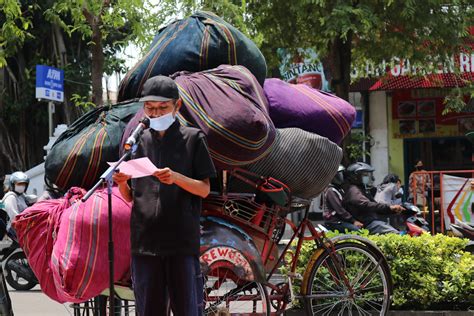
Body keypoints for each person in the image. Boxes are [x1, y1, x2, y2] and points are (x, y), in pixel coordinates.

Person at [113, 75, 216, 316]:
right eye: (150, 108)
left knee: (186, 310)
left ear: (177, 106)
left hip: (180, 243)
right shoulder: (137, 143)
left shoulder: (193, 139)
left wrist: (176, 178)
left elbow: (204, 189)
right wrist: (121, 183)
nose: (156, 114)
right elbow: (130, 197)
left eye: (163, 108)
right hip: (145, 244)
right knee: (148, 310)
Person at [342, 162, 403, 234]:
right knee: (395, 234)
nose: (369, 178)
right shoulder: (354, 190)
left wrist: (391, 210)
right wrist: (389, 207)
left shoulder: (363, 189)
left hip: (373, 220)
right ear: (355, 176)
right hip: (366, 224)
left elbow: (375, 205)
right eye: (365, 175)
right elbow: (367, 204)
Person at [323, 165, 364, 232]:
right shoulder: (331, 190)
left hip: (341, 220)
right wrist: (353, 221)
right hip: (334, 222)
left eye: (341, 174)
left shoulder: (339, 189)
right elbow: (340, 209)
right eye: (338, 175)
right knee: (357, 231)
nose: (341, 176)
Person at [1, 172, 34, 236]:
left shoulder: (21, 196)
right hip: (16, 228)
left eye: (24, 184)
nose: (22, 186)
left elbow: (31, 199)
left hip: (24, 223)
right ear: (13, 184)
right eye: (19, 184)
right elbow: (15, 218)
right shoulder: (10, 197)